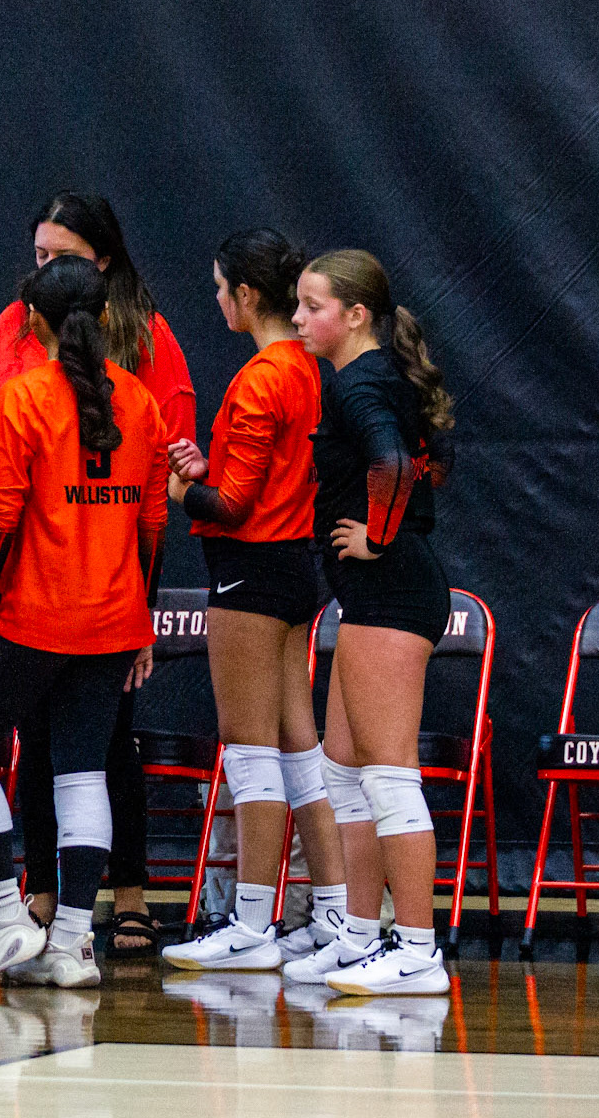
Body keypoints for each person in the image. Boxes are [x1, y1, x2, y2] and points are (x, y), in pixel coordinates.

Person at [0, 192, 195, 952]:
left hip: (34, 608)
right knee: (79, 767)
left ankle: (5, 911)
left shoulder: (31, 396)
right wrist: (141, 616)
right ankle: (67, 942)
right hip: (112, 612)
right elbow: (153, 525)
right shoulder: (136, 404)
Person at [161, 229, 347, 971]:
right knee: (300, 750)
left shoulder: (260, 377)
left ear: (244, 295)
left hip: (249, 574)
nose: (217, 301)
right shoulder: (306, 367)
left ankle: (248, 926)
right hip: (294, 568)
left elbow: (234, 506)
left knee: (248, 752)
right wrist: (207, 469)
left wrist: (179, 490)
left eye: (219, 289)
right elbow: (261, 477)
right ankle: (333, 913)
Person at [286, 249, 456, 996]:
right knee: (343, 771)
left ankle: (417, 952)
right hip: (376, 596)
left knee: (387, 777)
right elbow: (435, 457)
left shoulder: (359, 383)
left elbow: (394, 463)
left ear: (356, 315)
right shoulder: (381, 376)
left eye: (312, 305)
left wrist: (382, 535)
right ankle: (358, 935)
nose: (298, 318)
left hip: (392, 593)